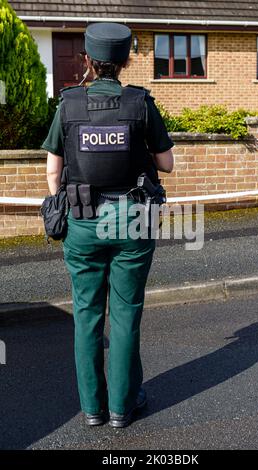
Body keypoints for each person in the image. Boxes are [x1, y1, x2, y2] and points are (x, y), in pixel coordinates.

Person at [42, 22, 174, 428]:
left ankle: (93, 410)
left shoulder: (69, 104)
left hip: (81, 220)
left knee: (86, 314)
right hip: (132, 219)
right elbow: (167, 163)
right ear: (125, 61)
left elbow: (52, 175)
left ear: (88, 60)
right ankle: (123, 407)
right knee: (126, 312)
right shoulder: (141, 103)